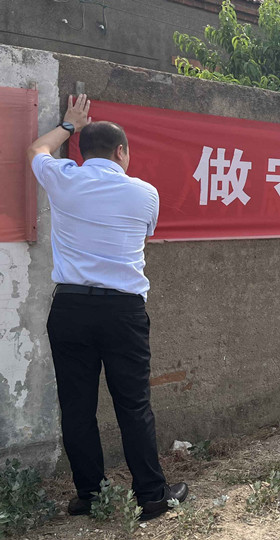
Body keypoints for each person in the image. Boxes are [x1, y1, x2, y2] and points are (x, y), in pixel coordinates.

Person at [27, 94, 187, 520]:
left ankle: (90, 496)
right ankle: (151, 495)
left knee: (77, 407)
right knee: (133, 404)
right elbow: (143, 235)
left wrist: (69, 125)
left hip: (70, 308)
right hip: (123, 311)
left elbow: (37, 149)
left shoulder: (63, 177)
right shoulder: (145, 193)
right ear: (121, 152)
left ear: (82, 151)